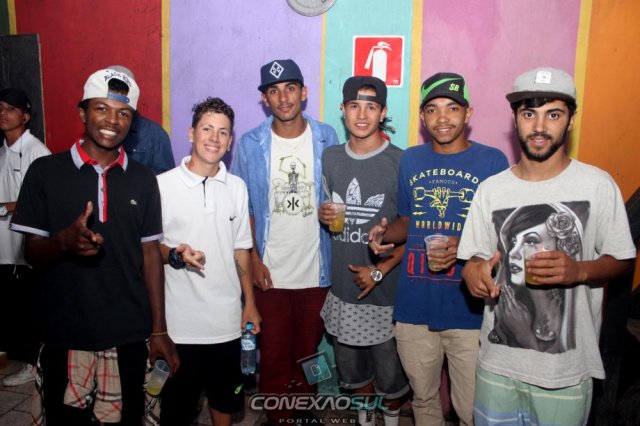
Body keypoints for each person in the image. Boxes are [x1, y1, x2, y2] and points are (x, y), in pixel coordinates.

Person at [458, 67, 636, 425]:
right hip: (497, 365)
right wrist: (473, 272)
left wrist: (580, 270)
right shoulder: (491, 190)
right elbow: (474, 257)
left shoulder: (597, 185)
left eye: (553, 114)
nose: (539, 126)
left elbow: (622, 260)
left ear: (570, 120)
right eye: (529, 114)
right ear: (515, 119)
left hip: (565, 372)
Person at [10, 67, 179, 425]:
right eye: (101, 108)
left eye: (123, 113)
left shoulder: (143, 179)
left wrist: (159, 330)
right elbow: (31, 253)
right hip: (64, 331)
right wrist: (63, 242)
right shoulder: (45, 172)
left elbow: (150, 254)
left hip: (129, 333)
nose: (112, 121)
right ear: (82, 113)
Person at [369, 72, 508, 426]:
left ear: (468, 113)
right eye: (432, 109)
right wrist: (384, 234)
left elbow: (505, 234)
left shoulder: (493, 162)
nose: (442, 118)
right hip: (415, 306)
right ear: (422, 116)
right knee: (424, 400)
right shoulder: (411, 160)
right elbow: (407, 221)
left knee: (472, 410)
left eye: (452, 108)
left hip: (470, 310)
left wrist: (463, 246)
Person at [232, 59, 338, 423]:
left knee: (310, 355)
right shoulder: (251, 144)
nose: (283, 98)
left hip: (317, 270)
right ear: (265, 99)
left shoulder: (327, 137)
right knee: (275, 356)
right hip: (270, 273)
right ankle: (279, 418)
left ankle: (304, 412)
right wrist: (253, 259)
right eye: (274, 91)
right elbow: (243, 207)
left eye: (290, 88)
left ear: (303, 92)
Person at [157, 96, 261, 426]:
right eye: (207, 129)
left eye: (223, 132)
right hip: (178, 325)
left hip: (226, 323)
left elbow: (241, 249)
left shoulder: (237, 187)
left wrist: (249, 304)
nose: (214, 138)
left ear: (230, 142)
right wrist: (176, 254)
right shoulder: (162, 186)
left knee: (225, 402)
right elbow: (149, 250)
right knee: (176, 410)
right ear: (191, 134)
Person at [319, 76, 409, 426]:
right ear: (342, 109)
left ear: (383, 112)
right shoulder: (331, 157)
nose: (361, 115)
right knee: (354, 376)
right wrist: (323, 214)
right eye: (354, 106)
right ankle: (364, 419)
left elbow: (413, 230)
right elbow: (329, 207)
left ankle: (391, 418)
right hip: (344, 290)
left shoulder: (401, 161)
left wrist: (379, 270)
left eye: (371, 107)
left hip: (386, 293)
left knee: (392, 379)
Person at [0, 88, 50, 386]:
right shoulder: (2, 152)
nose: (3, 113)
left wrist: (5, 207)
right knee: (10, 310)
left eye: (10, 109)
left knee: (32, 310)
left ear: (26, 116)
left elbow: (44, 200)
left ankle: (34, 366)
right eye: (0, 107)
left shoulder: (36, 152)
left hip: (26, 249)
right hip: (4, 249)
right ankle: (12, 360)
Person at [109, 65, 175, 175]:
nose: (116, 100)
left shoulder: (155, 135)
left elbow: (166, 179)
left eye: (122, 92)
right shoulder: (96, 130)